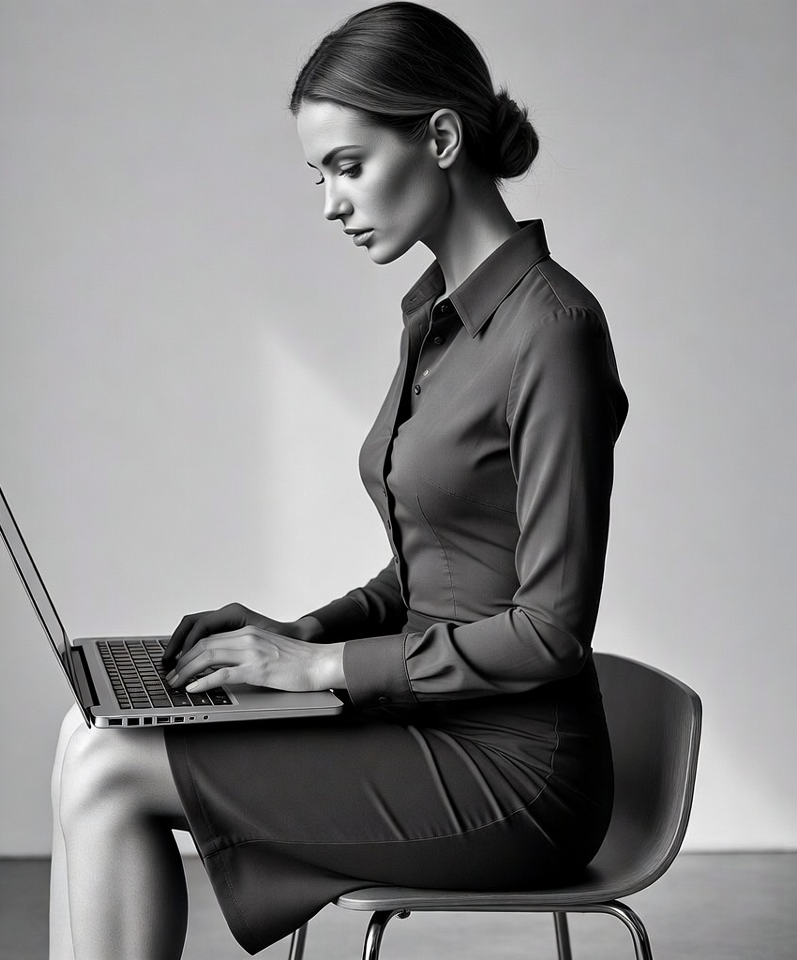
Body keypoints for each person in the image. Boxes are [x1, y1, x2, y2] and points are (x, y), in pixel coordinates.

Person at [49, 3, 629, 958]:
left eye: (348, 167)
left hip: (518, 773)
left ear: (440, 136)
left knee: (113, 771)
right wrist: (295, 636)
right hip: (423, 724)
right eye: (317, 175)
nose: (330, 203)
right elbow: (432, 569)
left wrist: (320, 674)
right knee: (85, 734)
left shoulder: (552, 330)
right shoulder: (434, 317)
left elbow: (553, 630)